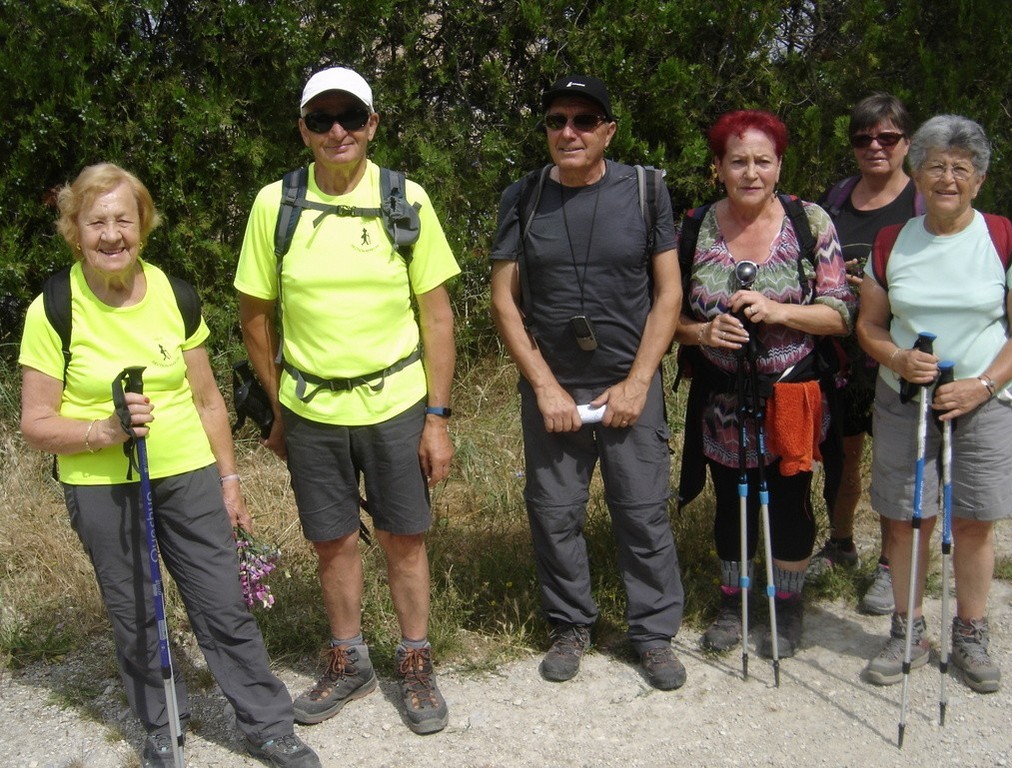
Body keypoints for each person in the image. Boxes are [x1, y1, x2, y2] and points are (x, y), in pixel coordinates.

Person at [18, 163, 319, 768]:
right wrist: (102, 430)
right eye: (96, 221)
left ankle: (267, 724)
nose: (111, 235)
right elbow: (35, 422)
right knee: (135, 608)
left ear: (143, 226)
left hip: (186, 473)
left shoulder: (174, 295)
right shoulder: (52, 307)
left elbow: (208, 399)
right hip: (101, 479)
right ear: (74, 229)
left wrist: (229, 480)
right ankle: (160, 724)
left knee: (221, 602)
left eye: (123, 220)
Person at [235, 67, 459, 735]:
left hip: (395, 402)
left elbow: (437, 316)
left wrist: (437, 418)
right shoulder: (275, 204)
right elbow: (254, 316)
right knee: (330, 541)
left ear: (373, 124)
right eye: (321, 119)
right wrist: (279, 408)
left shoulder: (404, 198)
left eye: (350, 117)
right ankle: (348, 659)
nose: (337, 131)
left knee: (404, 537)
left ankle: (414, 660)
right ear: (302, 128)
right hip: (311, 410)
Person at [490, 74, 687, 690]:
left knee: (643, 512)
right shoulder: (522, 197)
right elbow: (502, 299)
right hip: (554, 384)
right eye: (556, 120)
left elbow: (669, 293)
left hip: (630, 381)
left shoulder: (647, 191)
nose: (568, 132)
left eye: (583, 120)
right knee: (553, 513)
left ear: (608, 131)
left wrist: (636, 383)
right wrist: (545, 387)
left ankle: (652, 634)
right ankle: (570, 625)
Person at [675, 110, 853, 658]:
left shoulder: (811, 222)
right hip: (722, 397)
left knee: (790, 499)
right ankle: (734, 601)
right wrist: (702, 330)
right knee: (731, 501)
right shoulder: (694, 226)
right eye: (738, 161)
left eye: (762, 160)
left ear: (778, 166)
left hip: (793, 394)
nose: (750, 172)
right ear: (719, 168)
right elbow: (664, 318)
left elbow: (840, 313)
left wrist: (779, 311)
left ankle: (786, 606)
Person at [859, 115, 1012, 694]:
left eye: (961, 168)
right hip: (906, 398)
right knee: (906, 518)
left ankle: (971, 632)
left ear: (979, 179)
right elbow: (871, 326)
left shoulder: (1008, 238)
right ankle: (909, 628)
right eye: (935, 166)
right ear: (918, 175)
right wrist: (898, 359)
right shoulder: (891, 242)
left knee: (975, 521)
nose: (947, 178)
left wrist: (980, 385)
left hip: (985, 399)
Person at [809, 93, 921, 616]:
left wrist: (879, 290)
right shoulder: (838, 199)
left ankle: (889, 566)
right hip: (843, 353)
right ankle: (841, 544)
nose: (874, 147)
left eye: (887, 137)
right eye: (863, 138)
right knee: (843, 453)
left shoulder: (923, 204)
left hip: (901, 354)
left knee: (898, 463)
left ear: (907, 143)